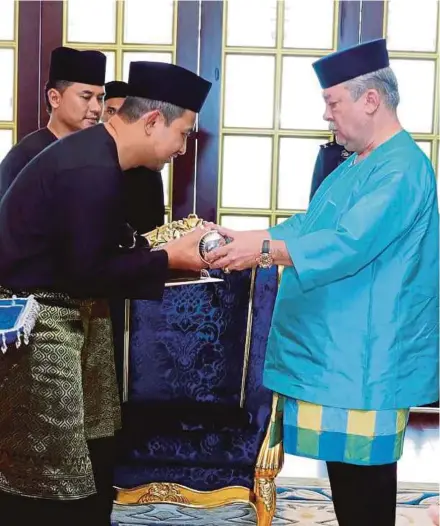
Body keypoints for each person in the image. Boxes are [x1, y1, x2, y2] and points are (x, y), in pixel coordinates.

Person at [206, 39, 439, 526]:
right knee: (346, 485)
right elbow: (311, 226)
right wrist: (247, 237)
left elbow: (347, 244)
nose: (328, 116)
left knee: (365, 492)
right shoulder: (357, 162)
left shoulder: (401, 168)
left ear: (370, 100)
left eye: (333, 103)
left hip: (364, 359)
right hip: (337, 355)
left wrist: (263, 252)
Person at [0, 61, 212, 526]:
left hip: (69, 314)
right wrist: (170, 259)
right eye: (183, 132)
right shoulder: (89, 166)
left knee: (94, 452)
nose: (182, 147)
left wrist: (156, 248)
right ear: (153, 121)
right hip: (39, 327)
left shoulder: (98, 156)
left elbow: (102, 245)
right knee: (49, 478)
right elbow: (88, 272)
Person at [0, 46, 106, 200]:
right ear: (55, 98)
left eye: (100, 98)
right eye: (86, 97)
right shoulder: (25, 157)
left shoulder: (99, 155)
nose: (97, 108)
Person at [103, 80, 165, 233]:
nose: (115, 119)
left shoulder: (148, 168)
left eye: (122, 113)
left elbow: (154, 229)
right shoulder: (85, 160)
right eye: (110, 111)